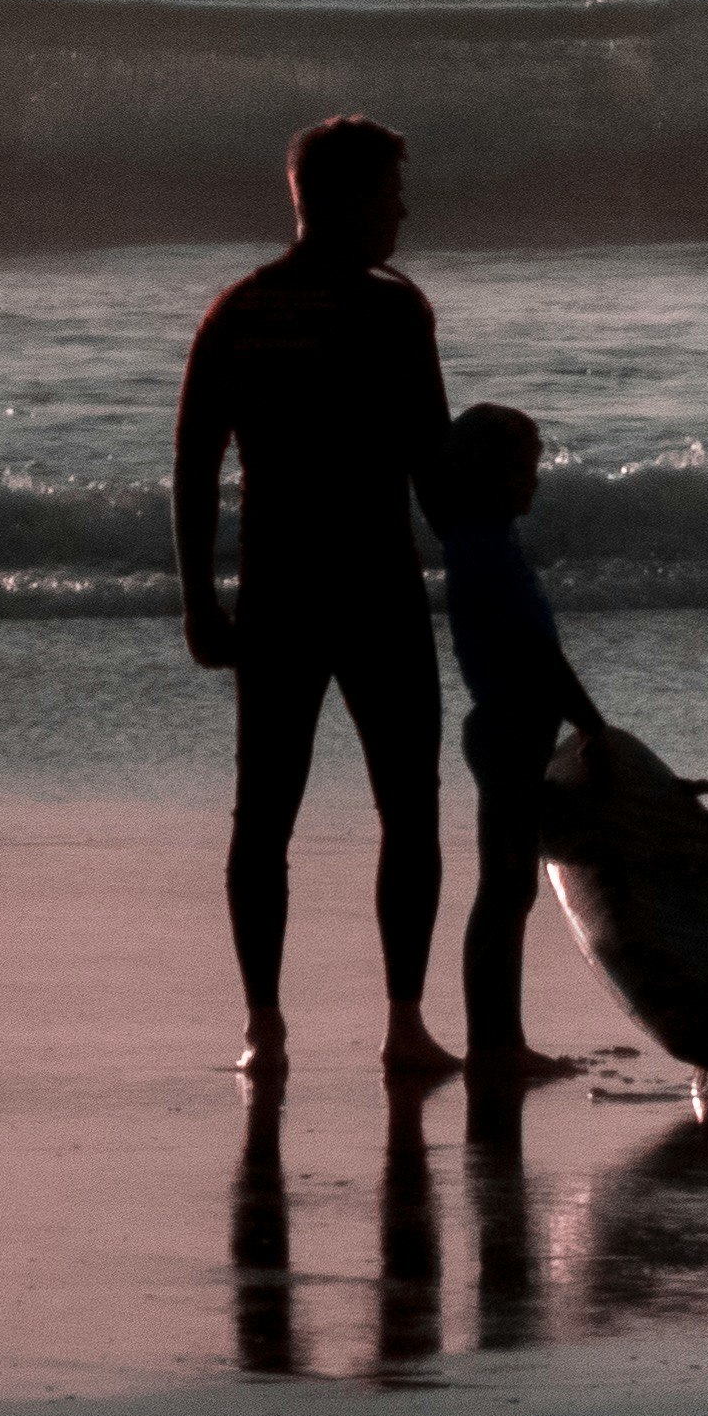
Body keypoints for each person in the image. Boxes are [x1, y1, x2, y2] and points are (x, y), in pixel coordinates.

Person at [176, 113, 459, 1084]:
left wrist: (200, 603)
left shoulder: (237, 311)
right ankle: (404, 1024)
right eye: (388, 194)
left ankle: (266, 1029)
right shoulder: (394, 313)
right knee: (406, 810)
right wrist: (496, 559)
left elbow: (191, 473)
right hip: (375, 593)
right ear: (339, 200)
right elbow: (435, 468)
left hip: (279, 594)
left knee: (265, 817)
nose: (402, 211)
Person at [432, 403, 599, 1088]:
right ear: (487, 475)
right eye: (524, 470)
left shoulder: (486, 540)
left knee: (511, 889)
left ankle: (501, 1040)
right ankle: (494, 1044)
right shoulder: (484, 549)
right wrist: (591, 721)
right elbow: (538, 654)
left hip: (513, 730)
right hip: (507, 732)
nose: (534, 483)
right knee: (503, 890)